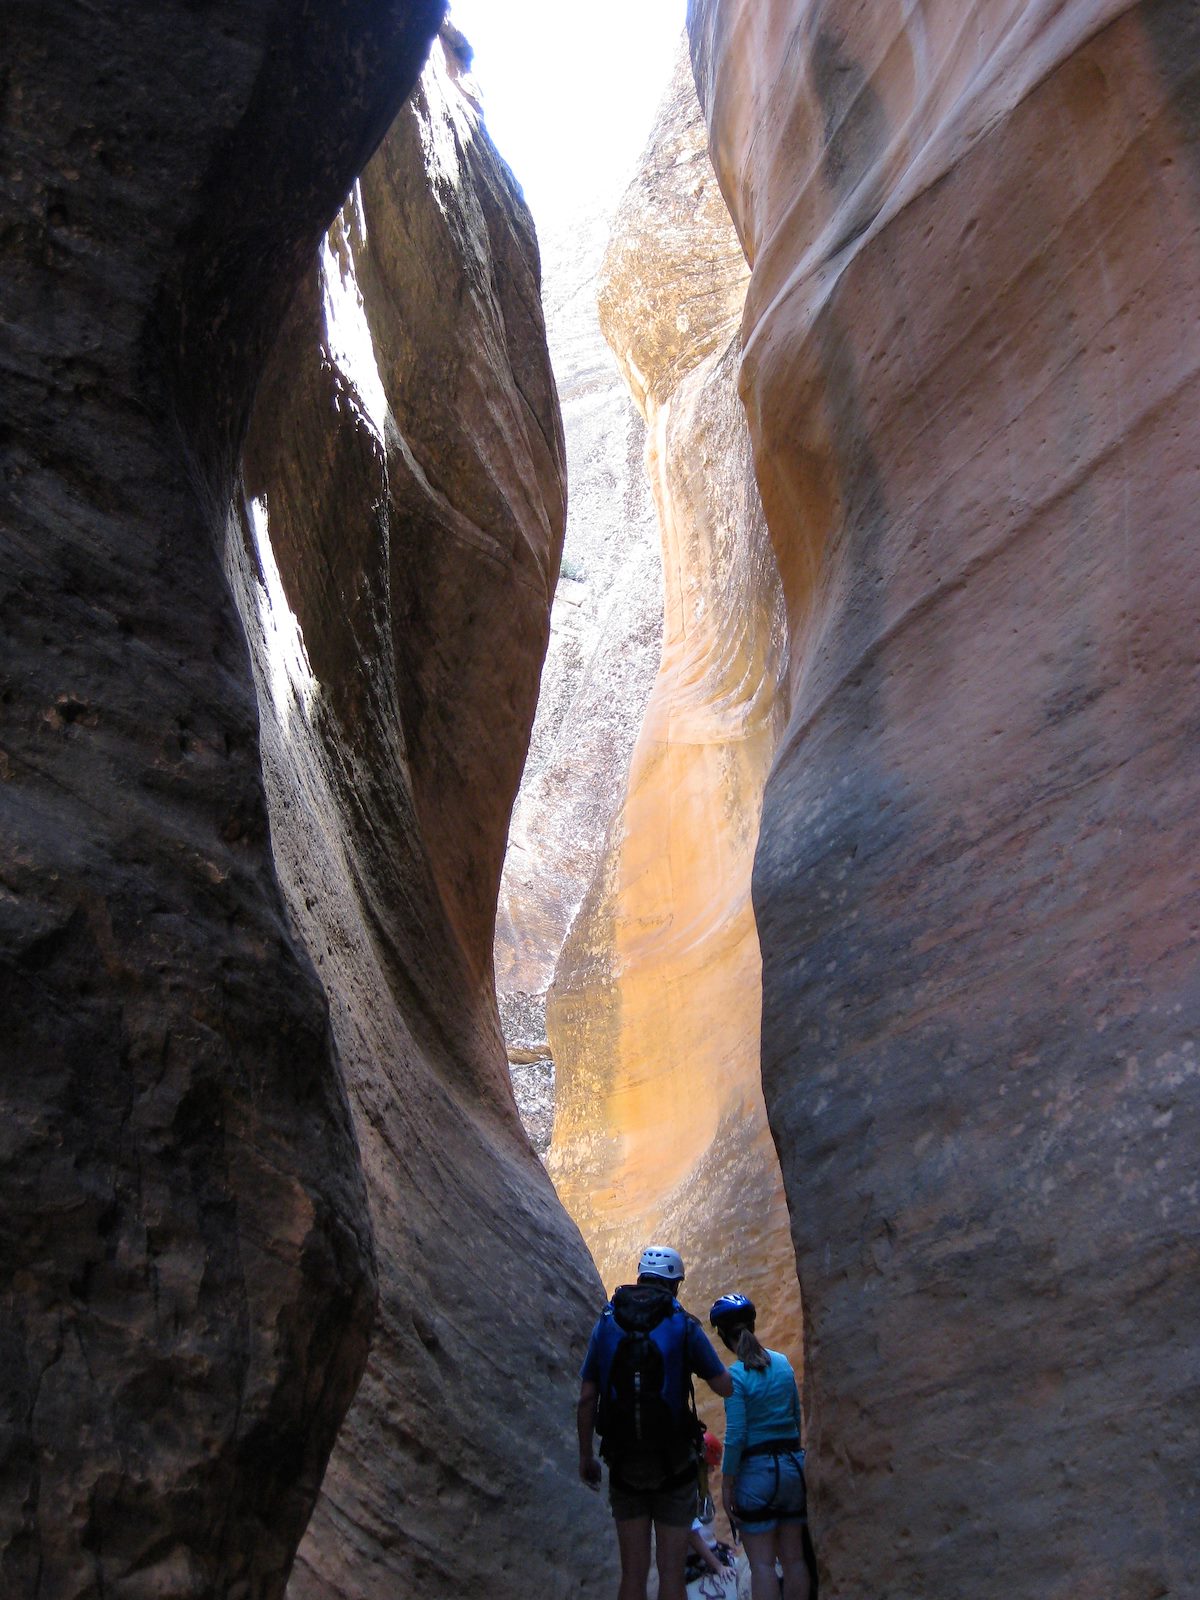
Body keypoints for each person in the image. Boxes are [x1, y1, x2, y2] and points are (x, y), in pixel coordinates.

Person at [578, 1246, 734, 1600]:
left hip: (624, 1466)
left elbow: (588, 1395)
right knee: (671, 1575)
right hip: (674, 1467)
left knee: (632, 1575)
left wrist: (586, 1455)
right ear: (674, 1284)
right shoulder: (683, 1325)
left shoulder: (606, 1322)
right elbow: (722, 1385)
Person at [709, 1293, 815, 1600]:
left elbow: (737, 1434)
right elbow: (796, 1417)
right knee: (794, 1559)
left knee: (763, 1566)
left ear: (721, 1334)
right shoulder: (782, 1364)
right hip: (793, 1468)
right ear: (753, 1325)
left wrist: (728, 1483)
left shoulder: (735, 1377)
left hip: (756, 1475)